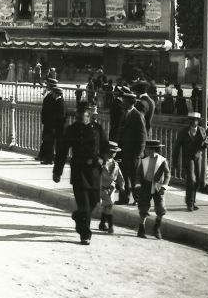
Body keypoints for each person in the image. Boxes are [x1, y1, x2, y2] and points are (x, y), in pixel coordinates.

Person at [53, 101, 108, 244]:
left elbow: (106, 148)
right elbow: (62, 151)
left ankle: (78, 217)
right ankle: (85, 234)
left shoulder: (97, 129)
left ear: (88, 116)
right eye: (77, 115)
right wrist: (57, 172)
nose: (77, 117)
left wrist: (102, 159)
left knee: (94, 202)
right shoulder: (71, 129)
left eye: (81, 115)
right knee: (84, 204)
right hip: (79, 171)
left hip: (95, 172)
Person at [172, 111, 208, 211]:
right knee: (191, 180)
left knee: (197, 181)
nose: (194, 122)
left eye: (196, 120)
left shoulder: (201, 130)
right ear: (189, 121)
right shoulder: (183, 132)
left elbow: (204, 144)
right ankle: (190, 203)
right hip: (188, 158)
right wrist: (174, 161)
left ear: (198, 121)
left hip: (198, 158)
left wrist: (206, 140)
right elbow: (176, 147)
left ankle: (192, 200)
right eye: (192, 120)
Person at [115, 87, 146, 205]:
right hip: (123, 151)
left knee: (134, 177)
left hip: (133, 153)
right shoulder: (125, 114)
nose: (122, 103)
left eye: (124, 101)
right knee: (122, 176)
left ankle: (138, 199)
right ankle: (124, 198)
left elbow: (143, 136)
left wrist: (138, 154)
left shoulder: (138, 116)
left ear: (129, 103)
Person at [135, 140, 170, 239]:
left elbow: (167, 174)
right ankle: (141, 229)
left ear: (153, 149)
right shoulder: (143, 160)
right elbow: (138, 174)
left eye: (147, 148)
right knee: (143, 206)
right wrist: (138, 185)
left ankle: (157, 228)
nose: (145, 150)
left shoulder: (162, 161)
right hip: (145, 185)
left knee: (160, 207)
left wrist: (164, 186)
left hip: (158, 186)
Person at [97, 141, 123, 234]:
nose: (113, 154)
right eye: (111, 152)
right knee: (107, 206)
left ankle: (105, 224)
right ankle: (107, 225)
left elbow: (119, 175)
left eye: (114, 152)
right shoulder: (100, 162)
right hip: (101, 187)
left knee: (107, 206)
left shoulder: (115, 163)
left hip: (111, 188)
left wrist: (122, 184)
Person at [37, 79, 65, 164]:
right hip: (48, 122)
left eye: (47, 85)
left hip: (51, 123)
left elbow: (54, 113)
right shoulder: (50, 95)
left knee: (49, 141)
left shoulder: (55, 98)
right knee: (46, 139)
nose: (46, 86)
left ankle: (48, 158)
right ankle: (43, 155)